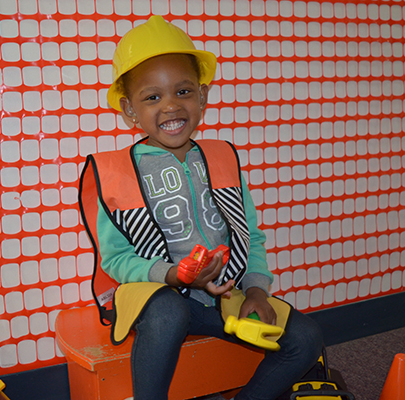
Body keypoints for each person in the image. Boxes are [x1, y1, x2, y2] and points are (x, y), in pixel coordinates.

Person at [78, 15, 324, 400]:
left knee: (307, 338)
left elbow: (250, 235)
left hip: (222, 296)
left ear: (203, 97)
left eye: (184, 92)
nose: (171, 106)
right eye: (153, 97)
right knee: (168, 313)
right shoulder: (116, 171)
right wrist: (173, 275)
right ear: (129, 110)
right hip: (155, 299)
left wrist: (257, 291)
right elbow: (116, 259)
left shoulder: (222, 158)